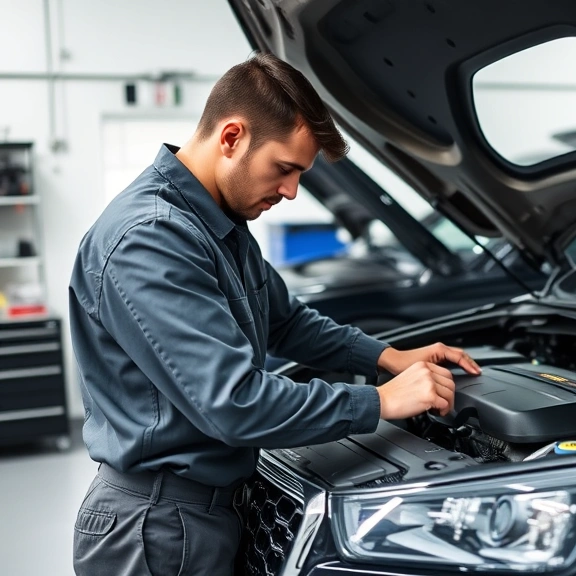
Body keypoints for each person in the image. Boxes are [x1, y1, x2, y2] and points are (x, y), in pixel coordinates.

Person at [69, 53, 480, 576]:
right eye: (284, 169)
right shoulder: (149, 239)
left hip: (206, 510)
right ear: (232, 137)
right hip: (158, 527)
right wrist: (377, 400)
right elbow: (235, 401)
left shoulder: (216, 225)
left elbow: (285, 321)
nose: (290, 191)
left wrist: (388, 356)